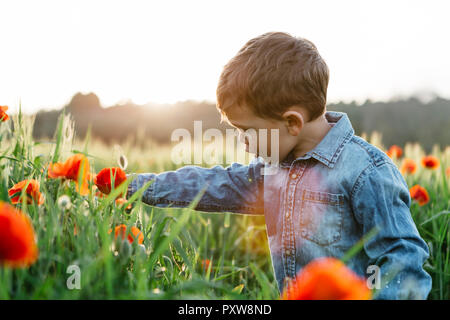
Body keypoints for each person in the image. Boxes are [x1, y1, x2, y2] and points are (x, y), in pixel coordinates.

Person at [127, 32, 431, 299]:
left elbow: (403, 258)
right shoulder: (272, 170)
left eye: (247, 131)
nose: (243, 142)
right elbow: (211, 184)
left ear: (291, 122)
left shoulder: (366, 172)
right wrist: (132, 185)